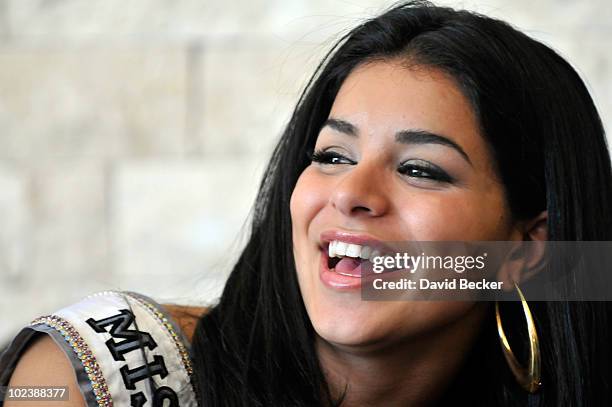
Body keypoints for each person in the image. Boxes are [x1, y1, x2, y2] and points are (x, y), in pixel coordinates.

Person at [2, 1, 612, 406]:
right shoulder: (98, 376)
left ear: (530, 250)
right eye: (332, 156)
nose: (350, 194)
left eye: (420, 169)